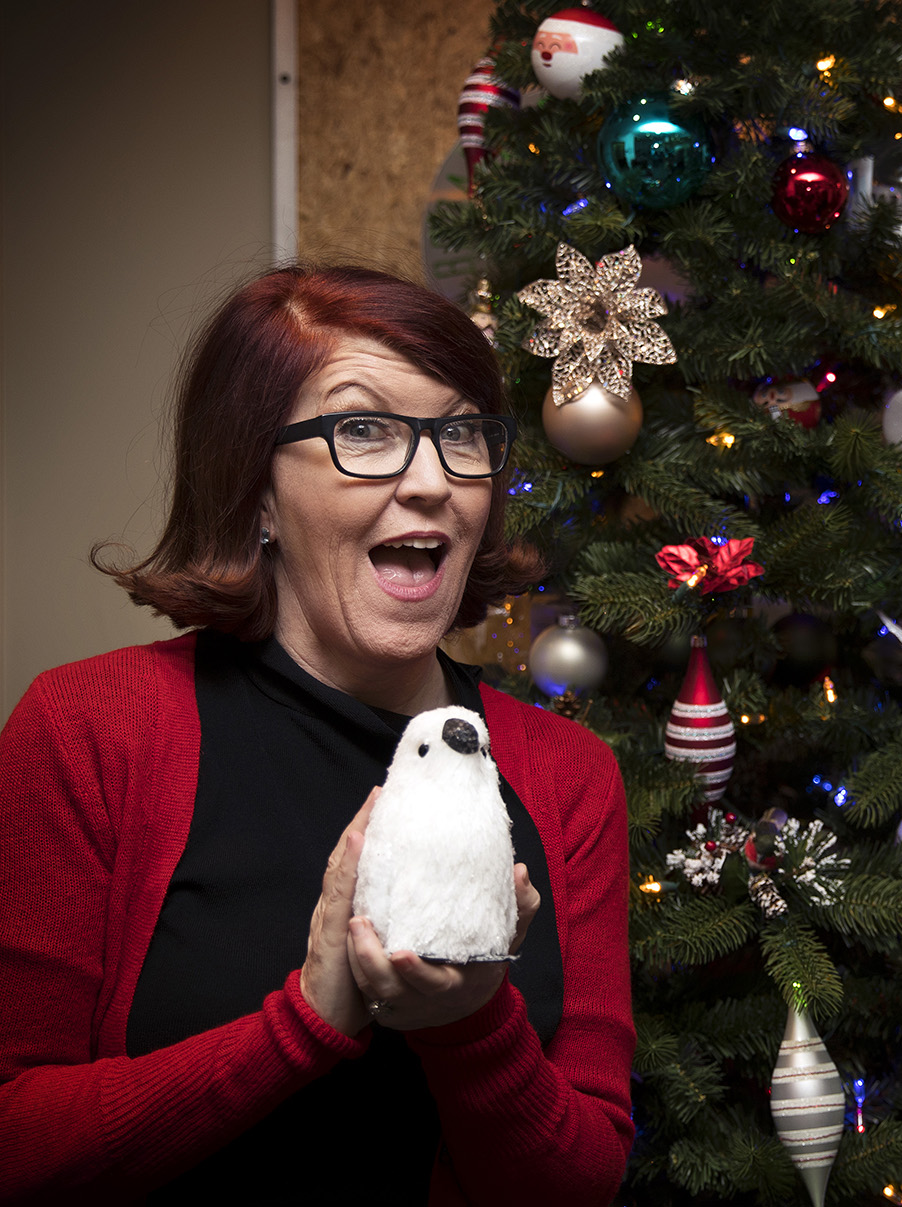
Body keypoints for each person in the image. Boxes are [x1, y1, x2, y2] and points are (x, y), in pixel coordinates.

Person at [0, 266, 636, 1203]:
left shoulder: (564, 773)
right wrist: (306, 1020)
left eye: (461, 434)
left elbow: (582, 1180)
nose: (431, 483)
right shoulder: (92, 729)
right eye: (364, 430)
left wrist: (467, 1023)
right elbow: (18, 1145)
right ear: (257, 489)